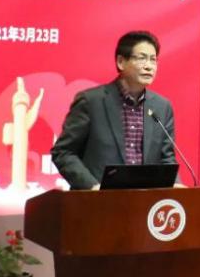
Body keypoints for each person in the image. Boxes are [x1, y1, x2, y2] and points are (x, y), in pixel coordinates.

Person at [50, 30, 177, 190]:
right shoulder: (91, 102)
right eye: (141, 58)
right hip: (99, 200)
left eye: (153, 59)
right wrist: (92, 186)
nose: (149, 66)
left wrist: (175, 184)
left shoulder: (162, 107)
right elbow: (63, 152)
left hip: (145, 201)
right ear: (121, 62)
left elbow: (166, 159)